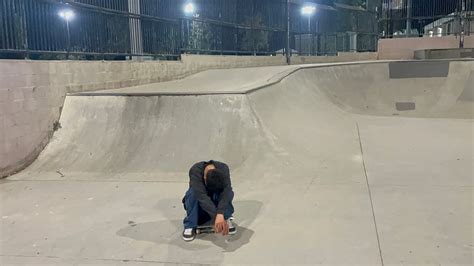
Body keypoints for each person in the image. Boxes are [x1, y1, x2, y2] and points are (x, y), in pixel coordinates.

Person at [182, 160, 235, 241]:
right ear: (204, 177)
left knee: (228, 191)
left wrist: (220, 214)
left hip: (215, 203)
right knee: (193, 192)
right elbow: (202, 197)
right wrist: (215, 216)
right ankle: (190, 225)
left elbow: (226, 190)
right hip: (200, 207)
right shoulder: (195, 170)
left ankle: (226, 217)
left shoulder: (224, 168)